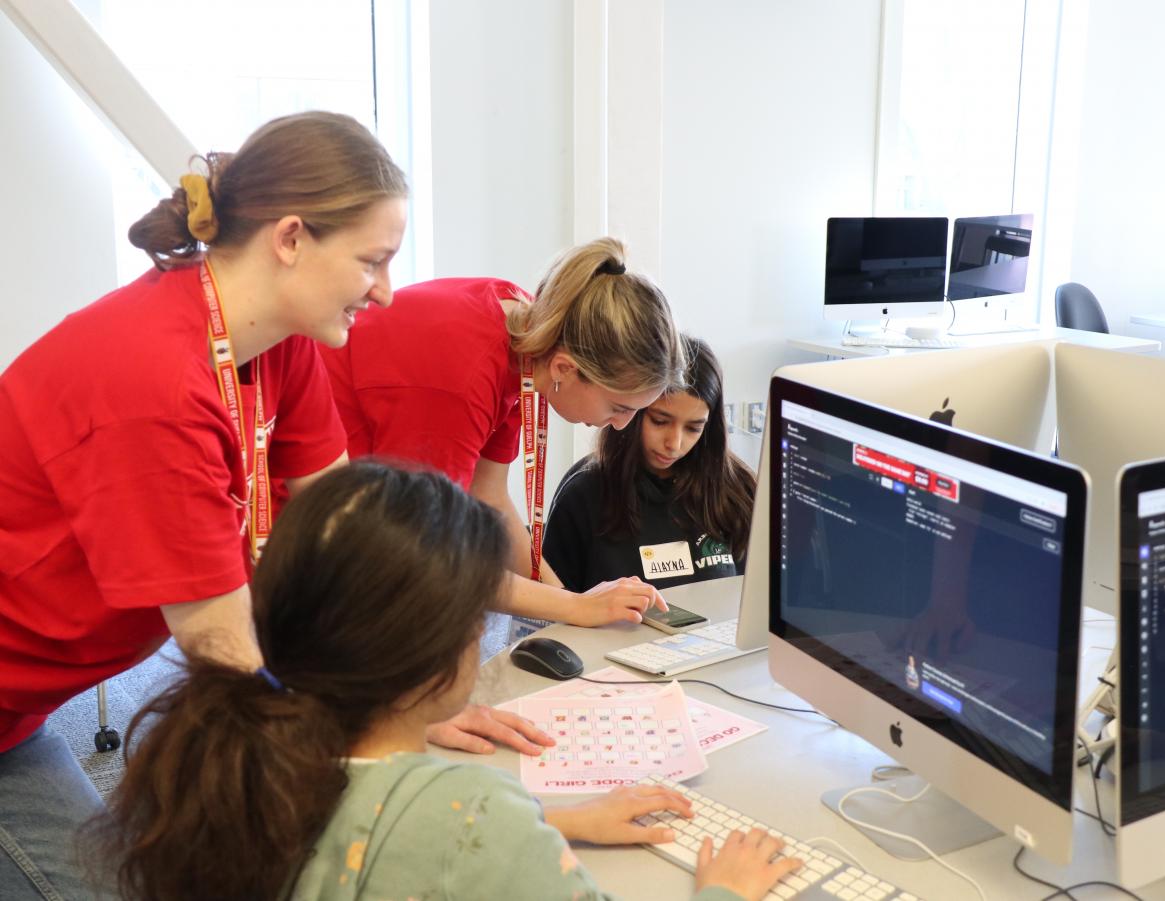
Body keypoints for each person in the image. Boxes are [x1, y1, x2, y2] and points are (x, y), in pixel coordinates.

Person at [0, 111, 537, 901]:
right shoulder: (153, 385)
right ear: (291, 238)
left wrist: (399, 696)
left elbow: (342, 527)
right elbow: (223, 646)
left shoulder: (271, 339)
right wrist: (383, 735)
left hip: (28, 701)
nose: (388, 292)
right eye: (373, 261)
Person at [96, 462, 801, 900]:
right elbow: (446, 840)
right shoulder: (470, 810)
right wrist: (723, 891)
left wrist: (557, 822)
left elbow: (381, 846)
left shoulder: (253, 767)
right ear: (440, 662)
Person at [318, 238, 685, 638]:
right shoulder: (463, 376)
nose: (620, 426)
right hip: (310, 511)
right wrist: (575, 606)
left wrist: (571, 604)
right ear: (565, 368)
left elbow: (488, 495)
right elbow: (429, 554)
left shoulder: (528, 332)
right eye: (619, 407)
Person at [543, 335, 757, 593]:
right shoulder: (584, 494)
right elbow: (553, 609)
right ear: (633, 409)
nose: (674, 443)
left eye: (693, 428)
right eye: (660, 421)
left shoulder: (738, 491)